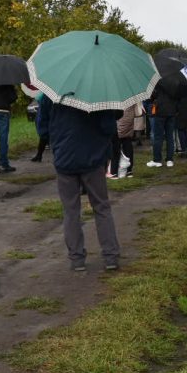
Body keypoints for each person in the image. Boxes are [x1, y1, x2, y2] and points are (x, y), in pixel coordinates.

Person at [49, 101, 122, 271]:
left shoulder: (53, 94)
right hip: (93, 158)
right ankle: (110, 256)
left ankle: (77, 259)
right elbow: (109, 128)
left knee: (71, 211)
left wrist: (57, 145)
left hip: (64, 158)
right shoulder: (100, 95)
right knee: (102, 207)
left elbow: (44, 126)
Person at [147, 80, 181, 168]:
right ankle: (170, 160)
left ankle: (157, 160)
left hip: (160, 111)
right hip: (172, 111)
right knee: (170, 137)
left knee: (158, 137)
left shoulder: (158, 81)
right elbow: (178, 97)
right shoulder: (175, 82)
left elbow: (152, 96)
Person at [109, 103, 136, 178]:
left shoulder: (116, 100)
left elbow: (118, 114)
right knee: (127, 144)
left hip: (120, 121)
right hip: (129, 119)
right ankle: (129, 170)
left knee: (116, 147)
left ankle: (114, 172)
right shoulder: (130, 97)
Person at [31, 93, 53, 162]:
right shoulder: (46, 96)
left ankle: (39, 155)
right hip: (46, 119)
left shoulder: (46, 95)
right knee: (44, 136)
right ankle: (39, 155)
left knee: (44, 136)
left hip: (45, 119)